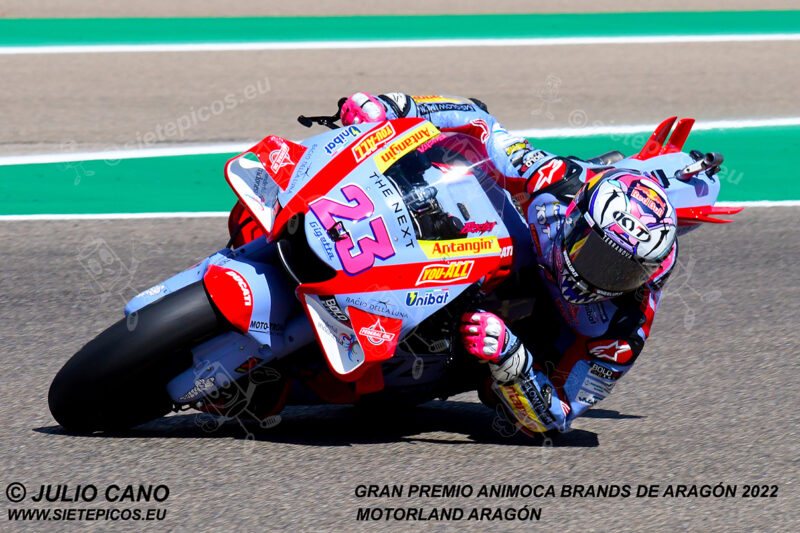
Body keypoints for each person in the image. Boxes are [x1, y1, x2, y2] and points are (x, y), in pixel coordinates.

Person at [339, 92, 677, 435]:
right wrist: (394, 107)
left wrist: (513, 361)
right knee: (444, 155)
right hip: (504, 236)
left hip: (531, 329)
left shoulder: (624, 331)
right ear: (576, 219)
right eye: (597, 255)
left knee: (495, 392)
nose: (605, 277)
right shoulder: (553, 180)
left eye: (624, 274)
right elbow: (479, 121)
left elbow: (558, 418)